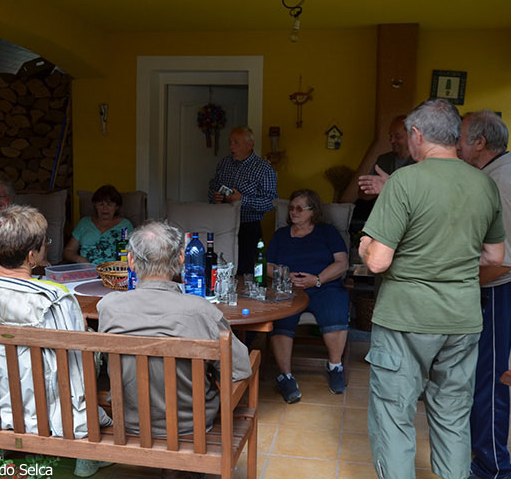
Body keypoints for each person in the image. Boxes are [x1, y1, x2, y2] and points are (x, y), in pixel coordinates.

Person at [358, 99, 506, 479]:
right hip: (462, 319)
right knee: (453, 414)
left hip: (405, 319)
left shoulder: (405, 181)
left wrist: (364, 245)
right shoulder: (485, 184)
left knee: (394, 415)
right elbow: (495, 255)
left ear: (417, 135)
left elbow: (377, 261)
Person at [0, 205, 111, 477]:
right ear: (33, 255)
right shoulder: (55, 301)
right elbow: (75, 370)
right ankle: (84, 451)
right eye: (45, 243)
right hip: (47, 415)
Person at [97, 220, 252, 438]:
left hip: (129, 422)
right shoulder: (201, 310)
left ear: (130, 261)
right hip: (192, 425)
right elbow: (240, 369)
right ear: (181, 258)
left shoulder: (108, 307)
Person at [457, 110, 511, 479]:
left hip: (500, 288)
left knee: (489, 379)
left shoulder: (503, 181)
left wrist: (463, 283)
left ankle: (494, 468)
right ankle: (482, 458)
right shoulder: (492, 174)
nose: (456, 144)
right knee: (479, 376)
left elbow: (508, 259)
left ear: (480, 143)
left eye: (461, 138)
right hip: (493, 286)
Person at [266, 189, 349, 402]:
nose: (293, 212)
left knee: (334, 311)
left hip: (325, 286)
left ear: (313, 211)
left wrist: (317, 279)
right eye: (291, 208)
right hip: (289, 289)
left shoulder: (328, 232)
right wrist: (284, 275)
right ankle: (285, 377)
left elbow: (342, 263)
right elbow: (267, 266)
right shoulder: (281, 235)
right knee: (281, 318)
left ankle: (335, 367)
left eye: (299, 208)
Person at [208, 126, 277, 275]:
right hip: (222, 224)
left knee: (248, 271)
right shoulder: (224, 163)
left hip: (249, 227)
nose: (231, 146)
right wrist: (215, 196)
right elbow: (213, 186)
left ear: (249, 144)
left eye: (235, 142)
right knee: (221, 267)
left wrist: (243, 200)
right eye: (230, 142)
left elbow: (270, 202)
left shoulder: (264, 169)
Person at [341, 114, 414, 206]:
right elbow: (362, 193)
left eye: (397, 136)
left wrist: (389, 187)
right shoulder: (383, 160)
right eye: (390, 136)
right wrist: (371, 190)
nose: (391, 140)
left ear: (411, 136)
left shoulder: (421, 163)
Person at [63, 184, 133, 265]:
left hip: (116, 269)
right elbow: (68, 251)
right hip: (87, 269)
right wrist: (79, 260)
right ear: (95, 206)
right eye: (101, 204)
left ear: (116, 207)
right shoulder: (84, 223)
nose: (105, 209)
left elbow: (135, 252)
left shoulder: (125, 225)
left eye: (109, 204)